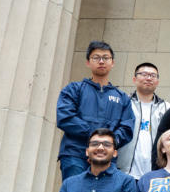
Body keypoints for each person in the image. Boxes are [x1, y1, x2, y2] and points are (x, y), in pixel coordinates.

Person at [56, 41, 134, 181]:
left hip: (107, 157)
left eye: (106, 58)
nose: (101, 61)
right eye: (96, 57)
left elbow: (127, 128)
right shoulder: (73, 89)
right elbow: (65, 118)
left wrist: (106, 143)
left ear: (112, 63)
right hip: (75, 154)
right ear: (88, 62)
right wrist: (94, 137)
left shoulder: (122, 98)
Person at [117, 62, 170, 179]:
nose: (149, 78)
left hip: (156, 174)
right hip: (124, 173)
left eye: (153, 75)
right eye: (144, 74)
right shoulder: (123, 103)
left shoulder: (167, 108)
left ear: (157, 81)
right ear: (134, 79)